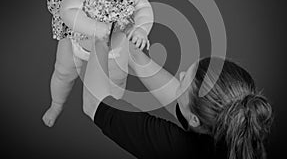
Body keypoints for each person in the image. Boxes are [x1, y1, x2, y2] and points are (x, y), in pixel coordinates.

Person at [82, 38, 273, 159]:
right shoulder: (240, 127)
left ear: (195, 120)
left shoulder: (179, 151)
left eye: (183, 82)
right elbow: (182, 98)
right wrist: (132, 52)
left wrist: (99, 37)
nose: (179, 76)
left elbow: (94, 104)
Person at [43, 0, 153, 127]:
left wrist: (142, 29)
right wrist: (95, 28)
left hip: (114, 48)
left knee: (118, 79)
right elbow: (67, 12)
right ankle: (56, 103)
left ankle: (113, 109)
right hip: (78, 44)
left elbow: (144, 8)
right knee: (62, 72)